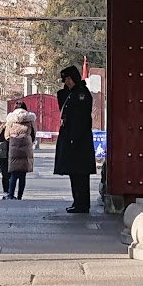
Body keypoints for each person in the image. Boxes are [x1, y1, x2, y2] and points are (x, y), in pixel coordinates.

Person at [54, 66, 96, 214]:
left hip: (79, 140)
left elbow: (81, 119)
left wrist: (74, 136)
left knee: (81, 174)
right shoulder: (71, 94)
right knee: (74, 173)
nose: (66, 82)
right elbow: (62, 100)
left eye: (68, 79)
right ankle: (77, 201)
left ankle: (82, 203)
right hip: (71, 138)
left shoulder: (81, 94)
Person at [1, 105, 36, 199]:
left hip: (14, 148)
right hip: (26, 149)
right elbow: (33, 134)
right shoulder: (30, 119)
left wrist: (14, 140)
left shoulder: (10, 120)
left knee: (14, 173)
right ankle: (20, 196)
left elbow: (6, 136)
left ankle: (11, 195)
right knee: (23, 175)